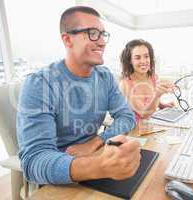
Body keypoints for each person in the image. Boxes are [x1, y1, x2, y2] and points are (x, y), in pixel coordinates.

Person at [16, 6, 140, 185]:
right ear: (67, 40)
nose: (102, 42)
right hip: (61, 175)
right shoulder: (40, 84)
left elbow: (127, 116)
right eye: (92, 33)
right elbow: (34, 160)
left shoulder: (104, 77)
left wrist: (96, 142)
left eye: (103, 35)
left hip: (95, 157)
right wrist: (98, 166)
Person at [119, 39, 175, 122]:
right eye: (137, 58)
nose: (143, 61)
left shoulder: (153, 77)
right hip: (132, 129)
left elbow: (149, 101)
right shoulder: (125, 85)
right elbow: (143, 114)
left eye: (146, 56)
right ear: (130, 61)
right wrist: (157, 95)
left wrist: (162, 105)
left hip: (149, 126)